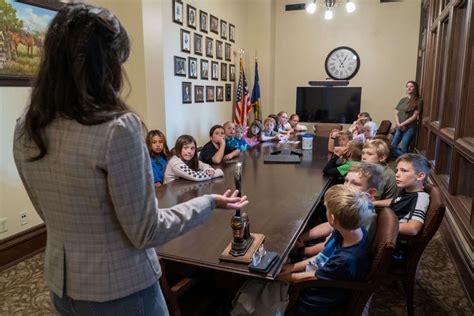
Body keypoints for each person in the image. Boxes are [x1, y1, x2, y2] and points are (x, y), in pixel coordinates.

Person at [12, 4, 248, 315]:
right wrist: (208, 204)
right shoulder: (117, 128)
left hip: (61, 285)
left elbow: (47, 211)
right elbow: (146, 231)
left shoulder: (26, 125)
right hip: (120, 290)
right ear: (107, 64)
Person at [278, 185, 373, 315]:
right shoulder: (352, 230)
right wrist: (292, 267)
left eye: (327, 210)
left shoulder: (345, 259)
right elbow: (322, 256)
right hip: (324, 273)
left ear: (332, 219)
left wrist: (284, 277)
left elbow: (313, 277)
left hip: (317, 300)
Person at [297, 163, 383, 258]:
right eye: (346, 181)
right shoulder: (351, 206)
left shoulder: (363, 216)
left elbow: (331, 246)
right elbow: (330, 225)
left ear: (371, 192)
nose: (346, 186)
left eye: (355, 184)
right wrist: (301, 237)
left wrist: (302, 251)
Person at [373, 153, 431, 236]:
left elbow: (413, 228)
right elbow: (395, 200)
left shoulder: (421, 198)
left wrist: (380, 227)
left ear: (420, 176)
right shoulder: (407, 190)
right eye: (397, 170)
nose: (397, 174)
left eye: (404, 171)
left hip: (390, 237)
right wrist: (373, 203)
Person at [391, 81, 423, 157]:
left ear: (415, 88)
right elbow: (396, 113)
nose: (409, 88)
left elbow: (414, 116)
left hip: (409, 128)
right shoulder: (403, 100)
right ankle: (407, 159)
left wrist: (402, 124)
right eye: (407, 86)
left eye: (411, 86)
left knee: (404, 148)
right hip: (399, 127)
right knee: (392, 147)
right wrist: (398, 124)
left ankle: (406, 162)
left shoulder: (418, 101)